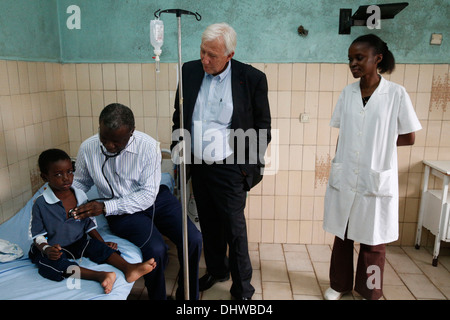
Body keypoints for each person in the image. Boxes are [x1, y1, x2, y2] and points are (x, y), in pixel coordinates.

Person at [171, 23, 271, 300]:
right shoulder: (190, 71)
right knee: (209, 222)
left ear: (229, 54)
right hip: (198, 163)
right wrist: (178, 153)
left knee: (234, 228)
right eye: (203, 52)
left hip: (231, 167)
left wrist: (247, 167)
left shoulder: (251, 78)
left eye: (212, 55)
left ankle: (243, 288)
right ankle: (217, 270)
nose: (205, 59)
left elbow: (263, 125)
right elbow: (179, 114)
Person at [322, 34, 422, 300]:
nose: (353, 63)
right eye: (350, 59)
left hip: (376, 175)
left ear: (377, 59)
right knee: (342, 234)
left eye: (359, 58)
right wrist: (338, 163)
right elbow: (344, 133)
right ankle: (339, 285)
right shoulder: (348, 93)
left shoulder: (396, 94)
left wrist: (381, 145)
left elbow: (409, 136)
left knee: (373, 240)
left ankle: (370, 290)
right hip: (347, 174)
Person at [72, 103, 202, 300]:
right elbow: (81, 182)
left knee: (193, 239)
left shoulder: (148, 146)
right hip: (121, 211)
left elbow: (148, 195)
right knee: (156, 250)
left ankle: (188, 294)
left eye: (117, 142)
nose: (109, 146)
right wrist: (67, 198)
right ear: (99, 127)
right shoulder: (88, 148)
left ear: (131, 133)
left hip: (154, 198)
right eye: (104, 138)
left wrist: (106, 206)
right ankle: (158, 297)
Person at [29, 148, 156, 294]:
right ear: (45, 177)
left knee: (100, 248)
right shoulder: (41, 203)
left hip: (77, 242)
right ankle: (100, 275)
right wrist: (47, 249)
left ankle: (128, 268)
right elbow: (37, 235)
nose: (66, 178)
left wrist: (101, 243)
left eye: (70, 172)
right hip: (53, 248)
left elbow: (88, 224)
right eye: (58, 174)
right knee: (50, 264)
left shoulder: (79, 195)